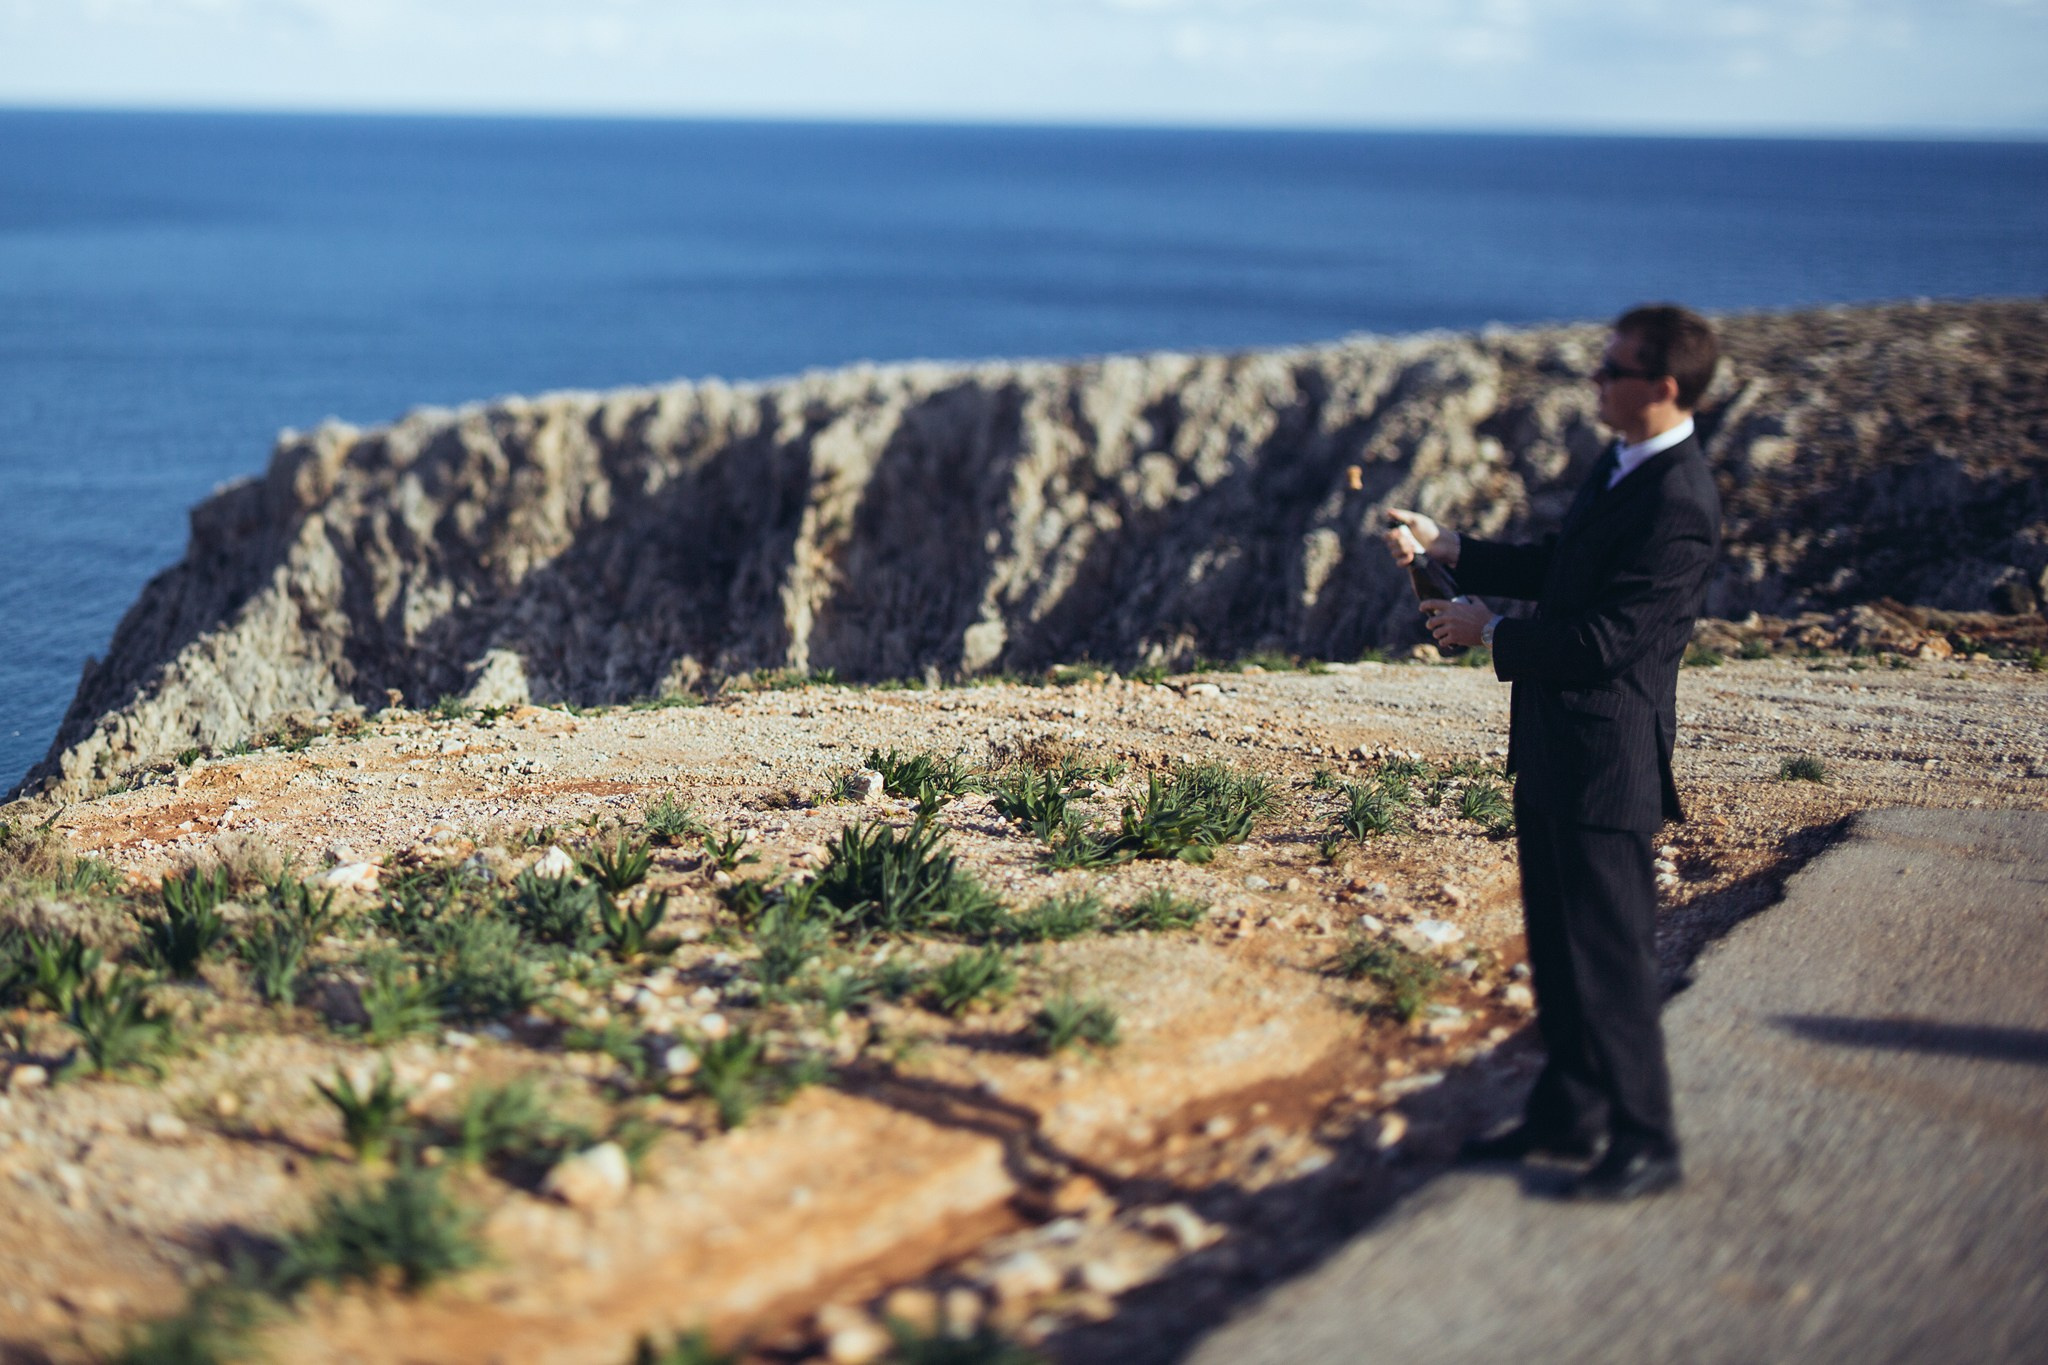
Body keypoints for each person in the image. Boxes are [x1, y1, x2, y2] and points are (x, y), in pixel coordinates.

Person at [1382, 304, 1723, 1201]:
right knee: (1560, 948)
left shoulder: (1680, 502)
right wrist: (1455, 547)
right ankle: (1570, 1109)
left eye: (1612, 371)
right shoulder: (1624, 463)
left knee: (1612, 957)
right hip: (1554, 744)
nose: (1596, 382)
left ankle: (1646, 1138)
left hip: (1608, 759)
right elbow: (1564, 569)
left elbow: (1610, 639)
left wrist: (1487, 631)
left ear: (1663, 387)